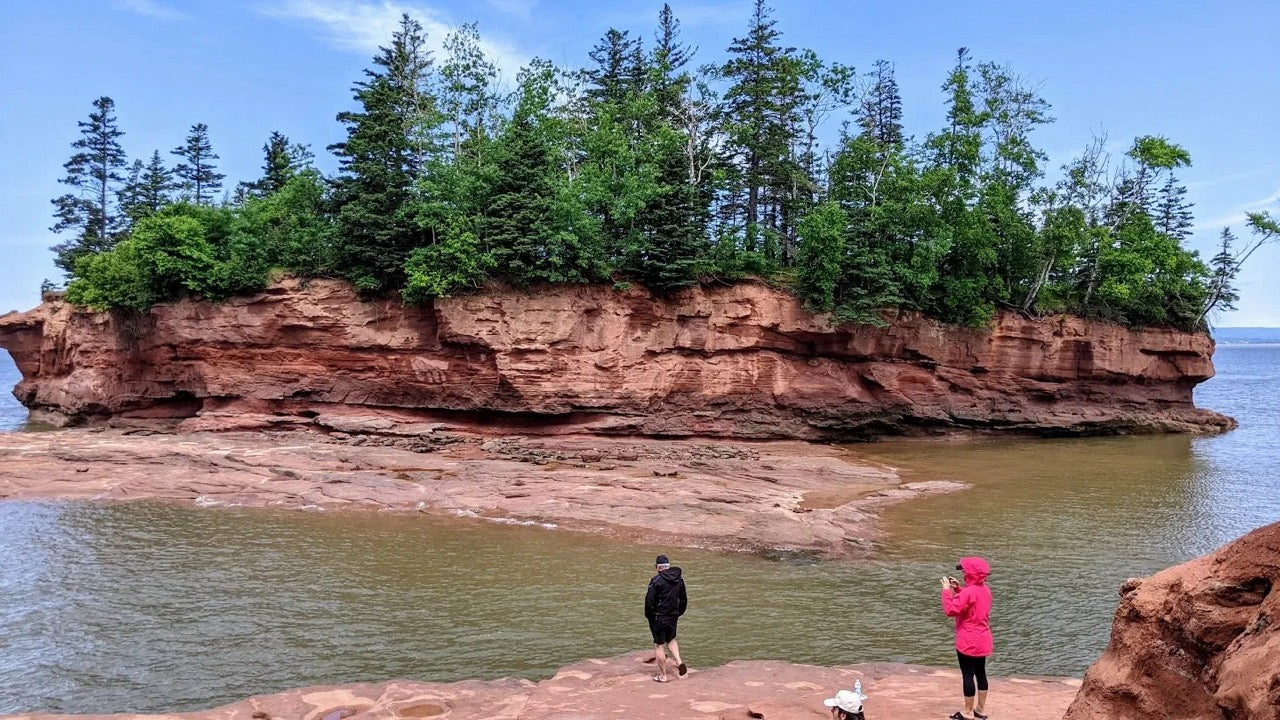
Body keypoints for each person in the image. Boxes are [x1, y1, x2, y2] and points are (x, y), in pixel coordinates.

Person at [940, 556, 993, 720]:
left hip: (968, 640)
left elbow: (951, 610)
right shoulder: (985, 590)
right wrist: (959, 589)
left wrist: (947, 591)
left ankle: (967, 712)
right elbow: (973, 602)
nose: (963, 572)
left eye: (964, 570)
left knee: (968, 675)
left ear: (970, 573)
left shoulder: (970, 592)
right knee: (981, 673)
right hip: (983, 638)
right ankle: (980, 710)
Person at [644, 553, 687, 682]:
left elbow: (649, 601)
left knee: (659, 645)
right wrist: (679, 612)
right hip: (673, 616)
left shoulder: (656, 581)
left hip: (658, 617)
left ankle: (663, 676)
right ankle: (679, 662)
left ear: (658, 567)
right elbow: (683, 599)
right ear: (668, 566)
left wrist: (649, 615)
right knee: (671, 639)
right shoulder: (679, 580)